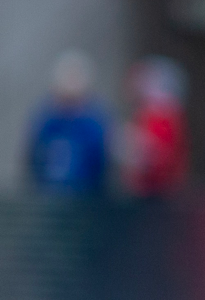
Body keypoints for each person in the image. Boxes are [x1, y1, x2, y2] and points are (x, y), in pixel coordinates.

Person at [27, 50, 109, 196]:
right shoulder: (46, 121)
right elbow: (33, 157)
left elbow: (102, 162)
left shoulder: (95, 123)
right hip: (49, 196)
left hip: (86, 198)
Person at [120, 57, 189, 197]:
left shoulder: (164, 116)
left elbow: (158, 158)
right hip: (144, 191)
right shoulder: (145, 114)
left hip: (158, 194)